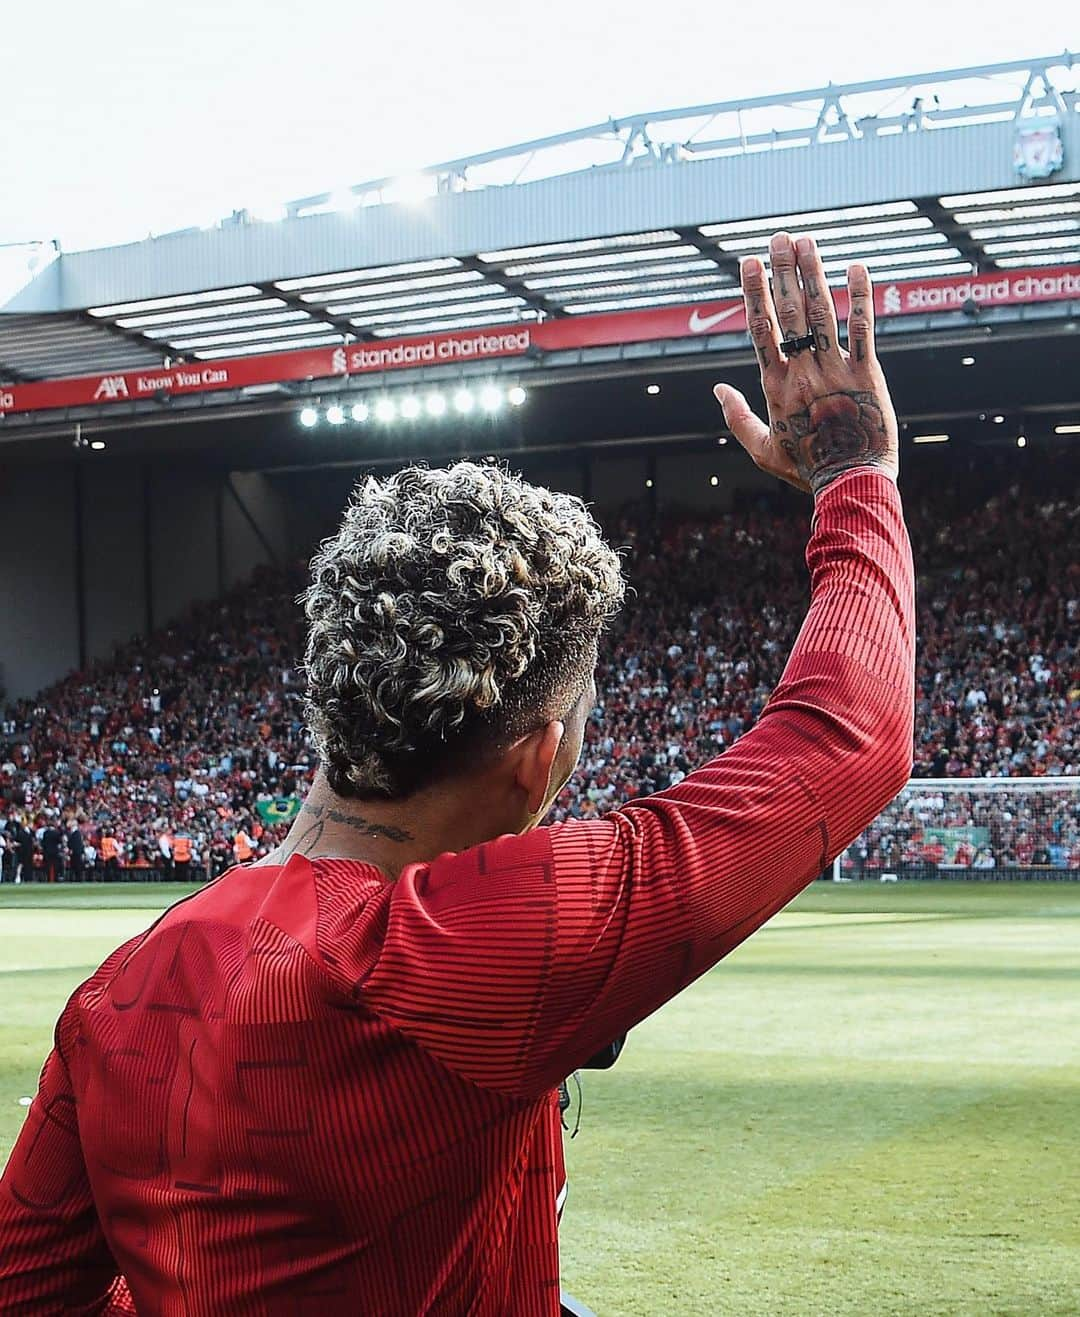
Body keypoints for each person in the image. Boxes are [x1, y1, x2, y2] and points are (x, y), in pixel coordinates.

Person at [0, 233, 915, 1315]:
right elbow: (848, 732)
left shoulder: (120, 988)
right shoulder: (469, 945)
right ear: (541, 758)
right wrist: (854, 476)